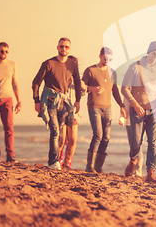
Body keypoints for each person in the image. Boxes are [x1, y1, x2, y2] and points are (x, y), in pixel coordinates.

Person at [121, 41, 156, 183]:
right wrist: (134, 104)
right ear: (148, 52)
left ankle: (150, 172)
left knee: (153, 143)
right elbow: (124, 88)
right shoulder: (135, 67)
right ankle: (133, 160)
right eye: (153, 53)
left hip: (154, 111)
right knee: (136, 142)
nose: (155, 57)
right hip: (137, 110)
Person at [32, 37, 82, 170]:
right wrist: (36, 101)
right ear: (57, 47)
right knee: (55, 132)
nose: (63, 49)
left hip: (64, 104)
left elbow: (77, 82)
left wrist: (77, 101)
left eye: (66, 47)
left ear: (69, 49)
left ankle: (53, 161)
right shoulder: (48, 63)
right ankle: (54, 162)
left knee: (59, 133)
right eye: (61, 46)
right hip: (49, 102)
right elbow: (36, 82)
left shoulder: (72, 65)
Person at [82, 47, 127, 173]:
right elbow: (81, 87)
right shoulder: (90, 70)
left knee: (106, 137)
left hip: (108, 108)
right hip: (94, 107)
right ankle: (89, 166)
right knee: (98, 135)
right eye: (105, 57)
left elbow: (115, 91)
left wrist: (121, 106)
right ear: (100, 56)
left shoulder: (113, 72)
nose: (107, 60)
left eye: (110, 59)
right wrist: (92, 88)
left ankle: (98, 167)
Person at [57, 55, 86, 169]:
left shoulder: (77, 81)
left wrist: (79, 82)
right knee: (62, 139)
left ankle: (67, 163)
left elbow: (83, 90)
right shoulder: (61, 78)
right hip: (61, 112)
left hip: (74, 114)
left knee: (73, 140)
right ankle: (58, 160)